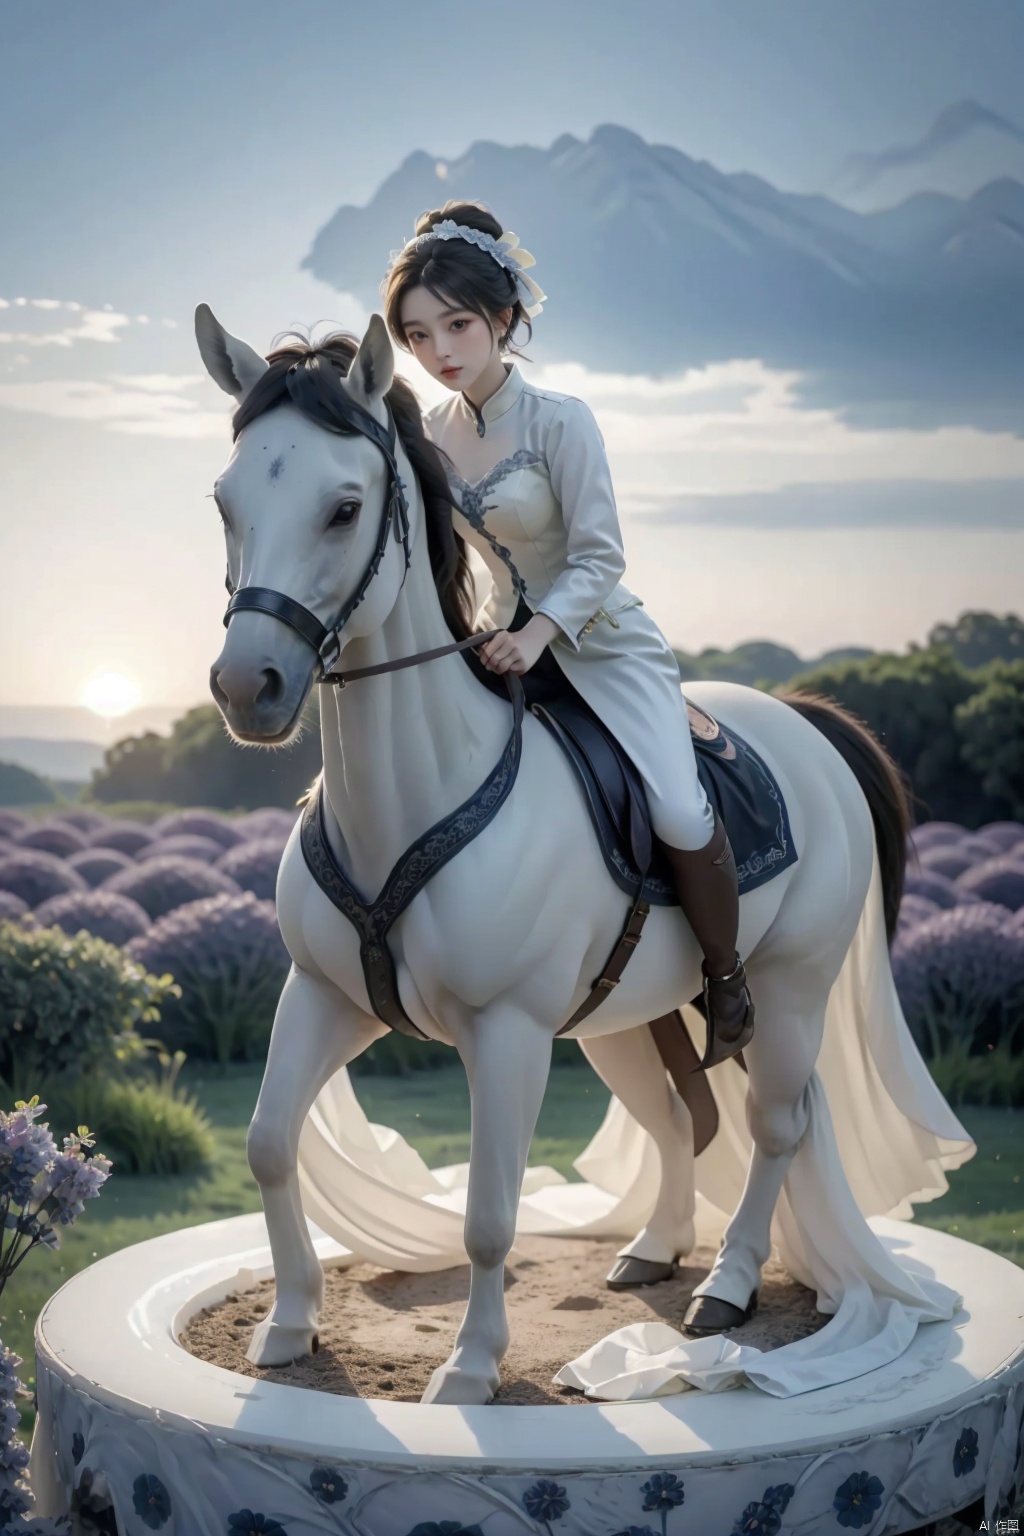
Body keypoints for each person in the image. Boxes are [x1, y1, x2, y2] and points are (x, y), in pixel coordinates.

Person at [382, 200, 753, 1067]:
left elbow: (601, 556)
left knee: (674, 801)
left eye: (459, 324)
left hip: (601, 639)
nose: (440, 351)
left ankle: (728, 979)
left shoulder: (562, 421)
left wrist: (541, 632)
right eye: (418, 333)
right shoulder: (430, 437)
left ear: (505, 318)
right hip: (499, 639)